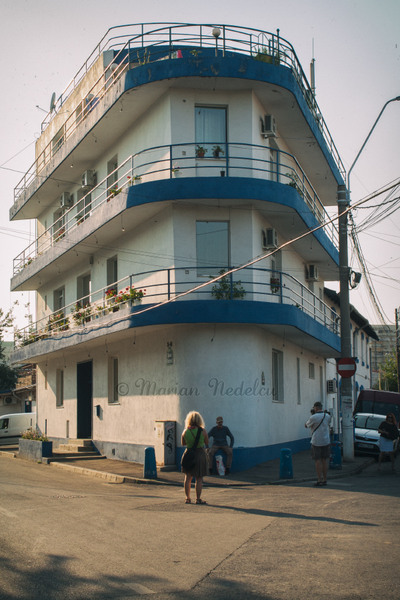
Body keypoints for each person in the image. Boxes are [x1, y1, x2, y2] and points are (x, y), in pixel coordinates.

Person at [181, 411, 209, 504]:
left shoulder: (185, 431)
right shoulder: (203, 431)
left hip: (188, 454)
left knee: (188, 477)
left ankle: (187, 498)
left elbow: (183, 443)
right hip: (200, 454)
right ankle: (198, 499)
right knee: (199, 478)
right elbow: (206, 442)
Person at [305, 402, 332, 486]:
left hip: (316, 441)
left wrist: (312, 415)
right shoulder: (327, 416)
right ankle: (325, 479)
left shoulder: (313, 417)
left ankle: (319, 479)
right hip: (326, 440)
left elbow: (306, 425)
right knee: (324, 460)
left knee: (317, 460)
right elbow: (328, 423)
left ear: (315, 408)